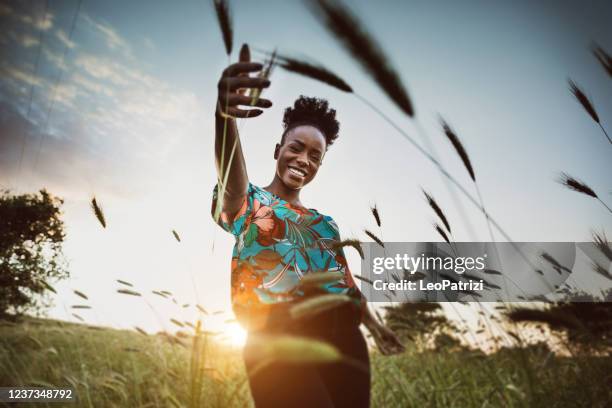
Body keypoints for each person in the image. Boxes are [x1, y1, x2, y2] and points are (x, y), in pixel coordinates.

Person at [211, 44, 404, 408]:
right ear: (277, 150)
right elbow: (230, 176)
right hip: (274, 337)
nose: (304, 160)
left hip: (343, 340)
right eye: (296, 148)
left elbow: (345, 286)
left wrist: (377, 328)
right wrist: (224, 118)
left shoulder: (325, 225)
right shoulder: (249, 202)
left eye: (315, 156)